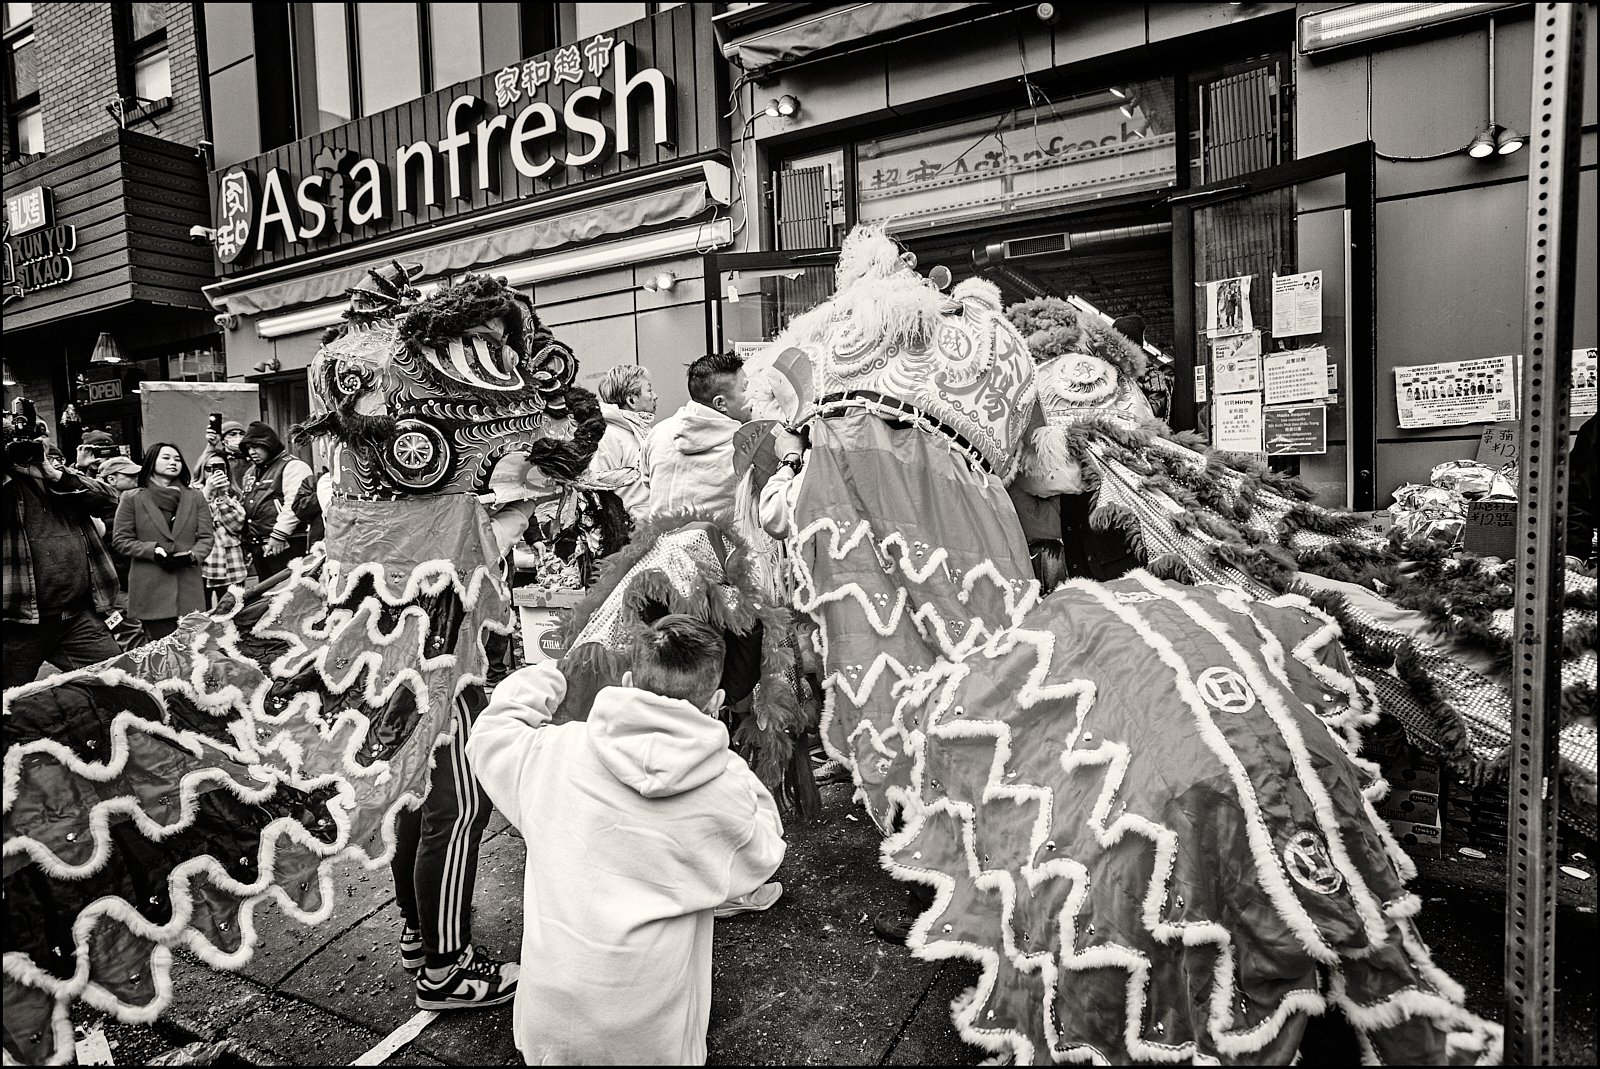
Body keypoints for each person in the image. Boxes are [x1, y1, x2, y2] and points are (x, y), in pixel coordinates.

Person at [467, 614, 786, 1065]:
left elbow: (491, 733)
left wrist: (554, 673)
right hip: (651, 1035)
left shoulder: (553, 753)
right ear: (715, 702)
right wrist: (730, 765)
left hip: (553, 1024)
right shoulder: (722, 789)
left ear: (631, 680)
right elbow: (765, 847)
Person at [3, 437, 125, 687]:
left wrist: (53, 474)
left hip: (77, 617)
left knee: (121, 684)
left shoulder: (56, 477)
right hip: (19, 625)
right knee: (8, 702)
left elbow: (111, 500)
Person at [112, 443, 214, 641]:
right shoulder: (132, 498)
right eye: (166, 457)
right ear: (151, 462)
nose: (173, 462)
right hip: (150, 586)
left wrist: (193, 556)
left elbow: (206, 537)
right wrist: (153, 550)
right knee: (162, 649)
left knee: (195, 648)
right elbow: (121, 540)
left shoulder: (195, 497)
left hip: (188, 583)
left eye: (177, 459)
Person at [642, 352, 751, 523]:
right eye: (745, 389)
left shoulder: (657, 433)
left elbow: (648, 484)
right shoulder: (745, 447)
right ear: (720, 404)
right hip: (721, 547)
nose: (753, 395)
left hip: (660, 545)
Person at [238, 421, 313, 578]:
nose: (252, 452)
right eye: (249, 448)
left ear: (269, 444)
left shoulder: (293, 466)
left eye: (257, 446)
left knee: (290, 594)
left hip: (287, 544)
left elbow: (295, 504)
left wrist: (279, 535)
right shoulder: (250, 472)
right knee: (267, 597)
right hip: (259, 546)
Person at [588, 364, 658, 519]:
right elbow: (595, 491)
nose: (655, 396)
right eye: (649, 390)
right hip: (630, 535)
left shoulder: (646, 431)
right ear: (631, 400)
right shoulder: (607, 436)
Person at [96, 456, 149, 649]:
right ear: (111, 479)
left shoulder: (132, 504)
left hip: (135, 582)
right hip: (117, 586)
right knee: (131, 634)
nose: (137, 479)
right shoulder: (98, 509)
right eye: (130, 475)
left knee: (140, 633)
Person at [197, 452, 249, 606]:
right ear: (202, 470)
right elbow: (194, 523)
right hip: (204, 562)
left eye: (220, 468)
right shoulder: (193, 493)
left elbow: (236, 526)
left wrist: (222, 496)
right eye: (209, 469)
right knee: (201, 612)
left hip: (231, 561)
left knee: (233, 611)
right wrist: (207, 492)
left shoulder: (233, 494)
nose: (214, 473)